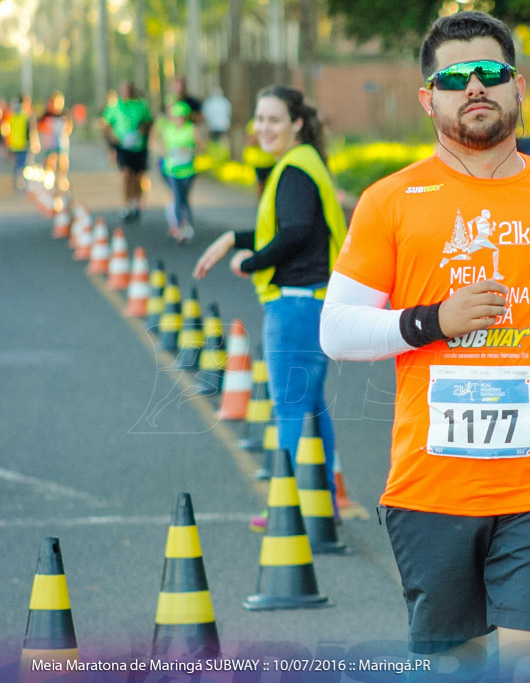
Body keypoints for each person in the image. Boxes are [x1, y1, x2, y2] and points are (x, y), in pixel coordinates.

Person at [319, 11, 530, 677]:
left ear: (519, 87)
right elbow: (337, 328)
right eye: (454, 76)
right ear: (428, 97)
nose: (475, 87)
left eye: (491, 72)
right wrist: (433, 320)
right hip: (431, 485)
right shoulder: (389, 201)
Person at [193, 85, 347, 531]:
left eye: (273, 119)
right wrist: (232, 239)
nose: (263, 128)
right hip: (313, 301)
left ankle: (288, 508)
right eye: (259, 119)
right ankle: (322, 503)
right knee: (311, 405)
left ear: (296, 123)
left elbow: (296, 231)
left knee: (290, 407)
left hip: (296, 306)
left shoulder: (294, 170)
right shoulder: (306, 164)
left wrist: (252, 261)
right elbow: (294, 228)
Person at [101, 81, 153, 223]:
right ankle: (125, 205)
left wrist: (143, 132)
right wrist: (112, 141)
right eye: (124, 89)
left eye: (129, 89)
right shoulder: (115, 106)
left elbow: (149, 122)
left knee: (138, 177)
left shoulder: (141, 105)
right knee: (125, 174)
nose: (126, 92)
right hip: (122, 146)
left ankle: (136, 201)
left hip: (139, 146)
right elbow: (105, 124)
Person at [153, 101, 202, 243]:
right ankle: (180, 227)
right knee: (177, 197)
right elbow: (158, 143)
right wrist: (168, 152)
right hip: (171, 170)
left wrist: (189, 151)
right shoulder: (168, 129)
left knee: (185, 199)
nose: (179, 119)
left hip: (188, 170)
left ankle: (189, 225)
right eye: (177, 116)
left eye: (182, 116)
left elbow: (201, 146)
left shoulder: (191, 129)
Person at [37, 91, 73, 191]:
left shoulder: (65, 114)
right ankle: (49, 179)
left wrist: (65, 129)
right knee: (50, 161)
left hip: (61, 142)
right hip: (49, 143)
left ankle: (62, 179)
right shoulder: (46, 115)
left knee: (63, 161)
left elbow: (69, 127)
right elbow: (39, 126)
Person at [2, 95, 34, 193]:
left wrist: (32, 143)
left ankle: (22, 185)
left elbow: (30, 132)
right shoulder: (11, 118)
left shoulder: (26, 117)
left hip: (24, 146)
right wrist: (7, 146)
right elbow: (5, 131)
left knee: (22, 166)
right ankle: (19, 185)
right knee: (18, 167)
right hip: (14, 146)